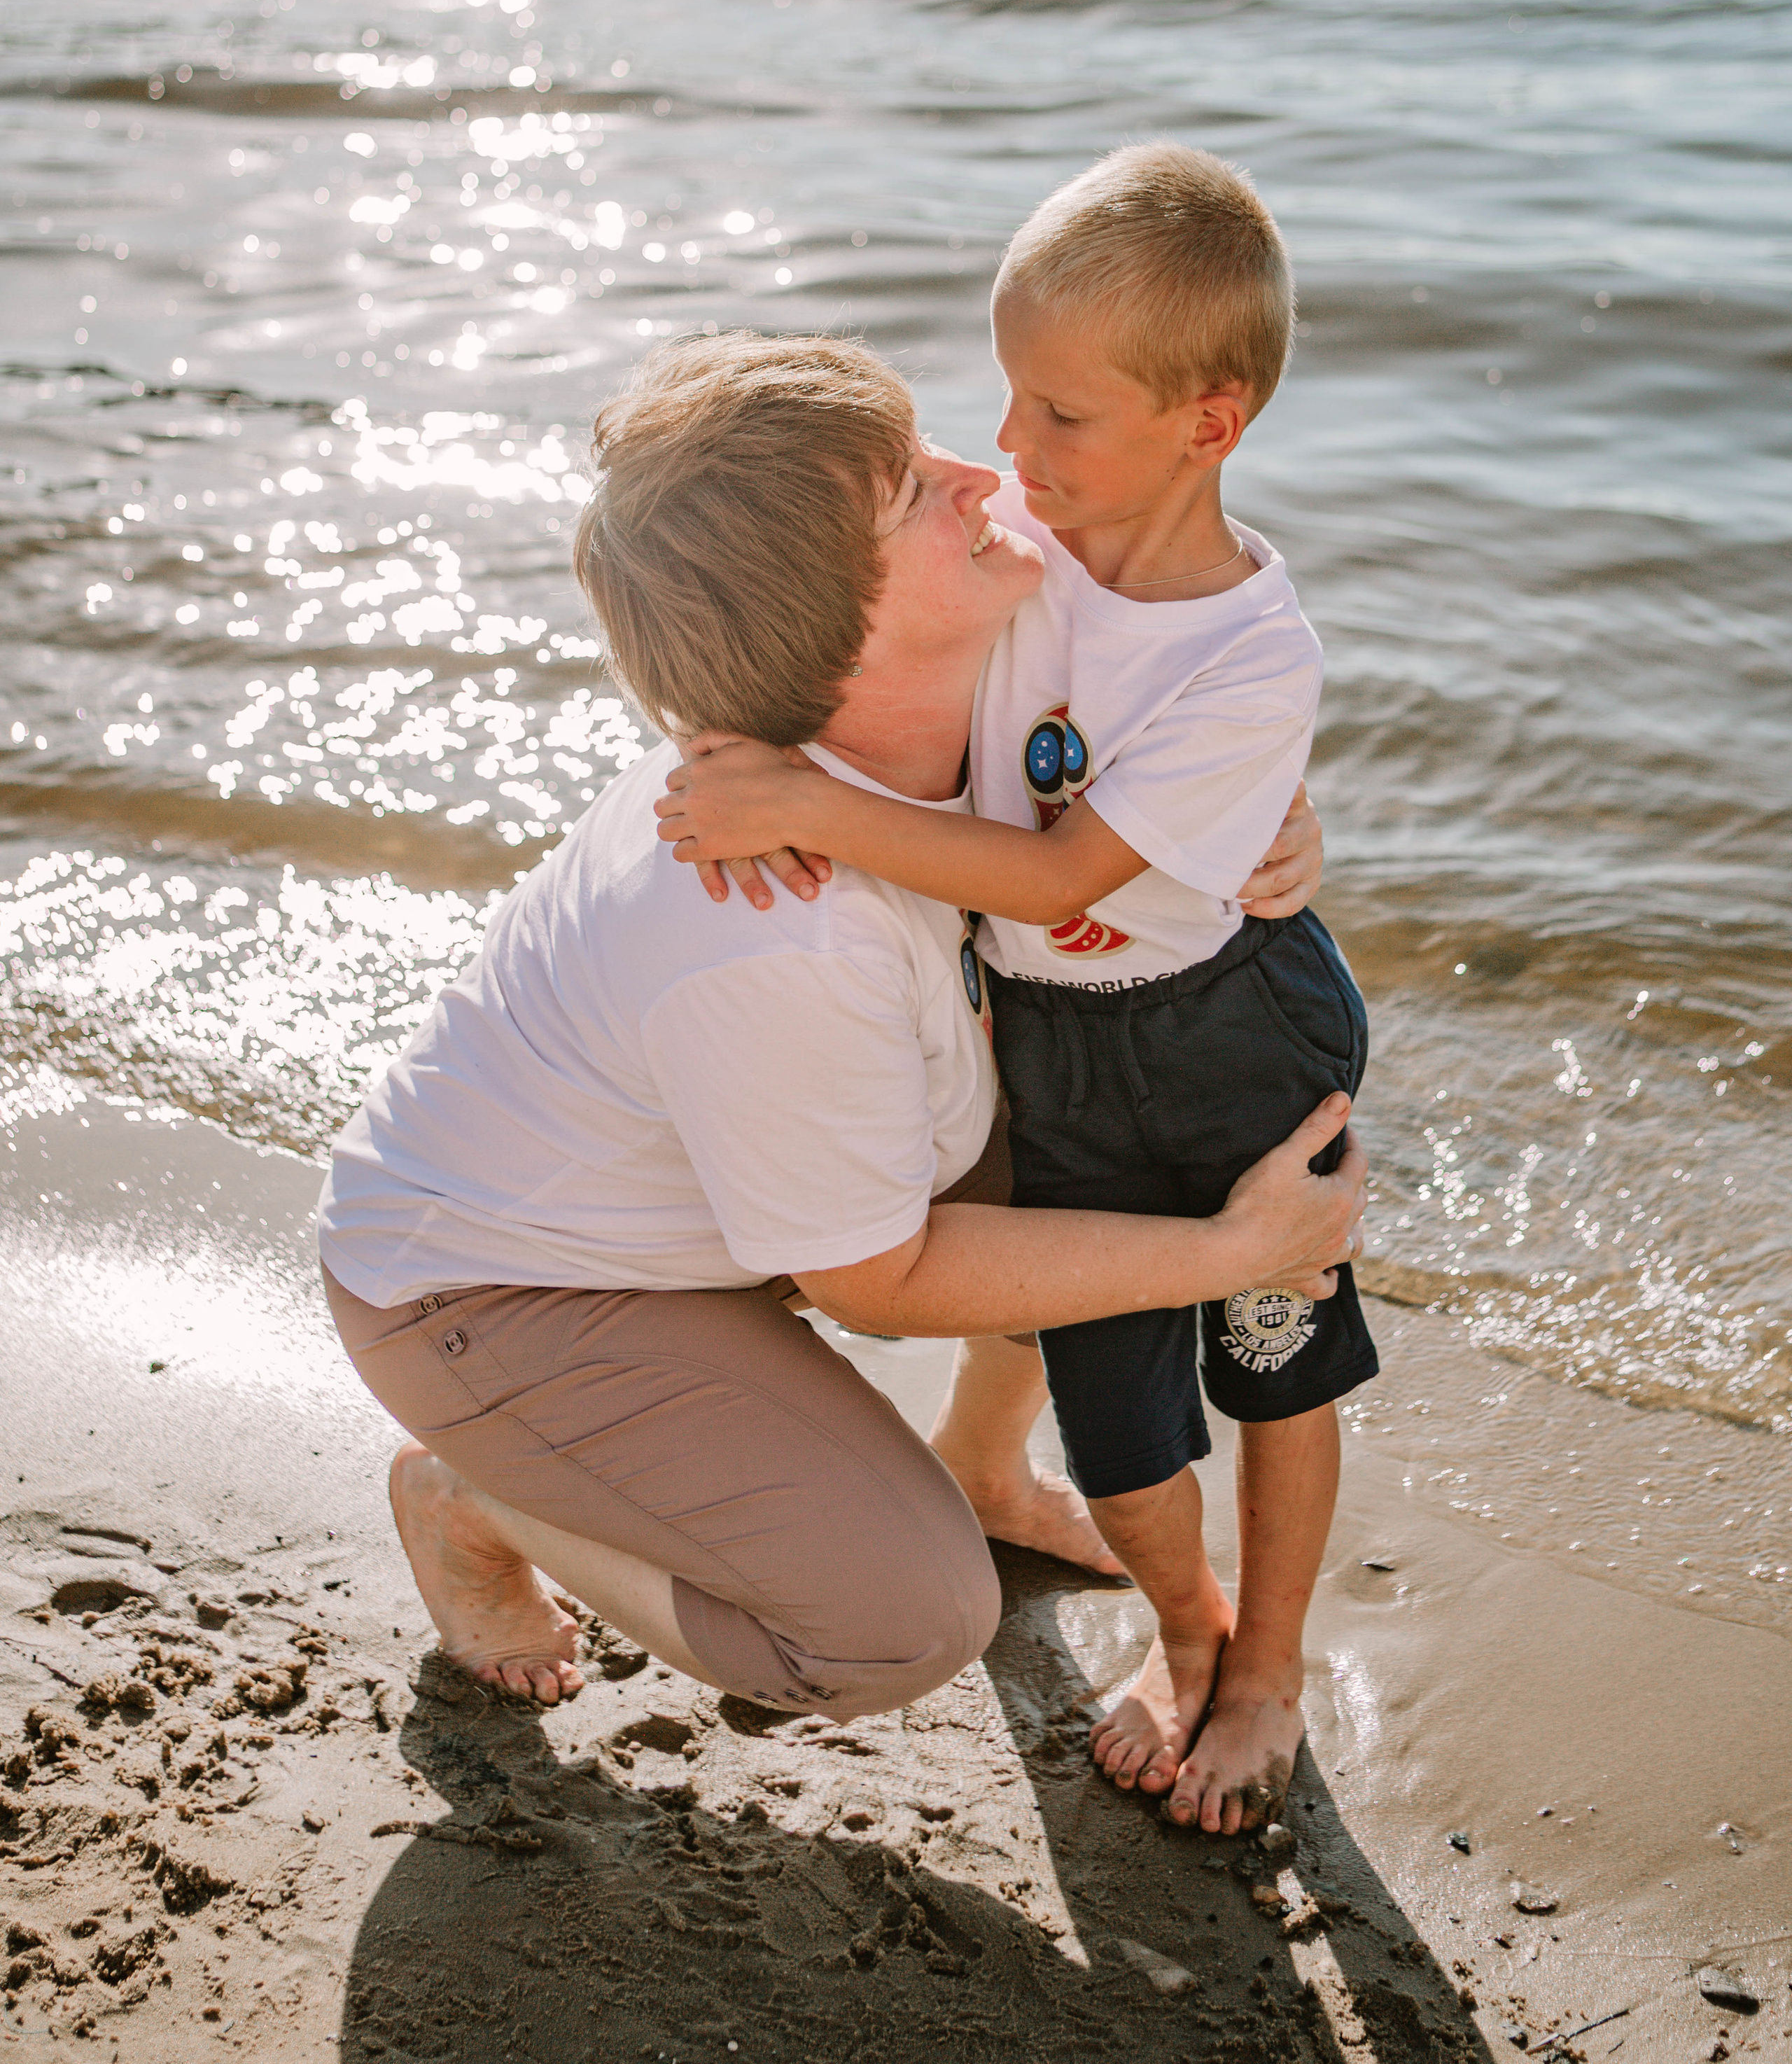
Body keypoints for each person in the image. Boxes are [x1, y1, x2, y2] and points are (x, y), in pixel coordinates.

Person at [317, 330, 1365, 1752]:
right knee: (903, 1620)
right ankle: (480, 1501)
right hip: (493, 1299)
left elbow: (1176, 725)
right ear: (841, 625)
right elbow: (879, 1283)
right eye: (914, 491)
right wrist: (1231, 1255)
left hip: (698, 1210)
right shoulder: (774, 926)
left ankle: (982, 1466)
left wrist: (1257, 829)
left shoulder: (942, 701)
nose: (982, 474)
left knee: (1084, 1117)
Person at [653, 148, 1373, 1834]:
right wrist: (737, 747)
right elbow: (851, 657)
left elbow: (1056, 878)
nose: (1006, 444)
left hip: (1230, 1033)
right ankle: (1181, 1627)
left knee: (1276, 1352)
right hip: (1048, 1038)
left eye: (1057, 412)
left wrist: (805, 807)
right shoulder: (1024, 555)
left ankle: (1265, 1664)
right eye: (1006, 392)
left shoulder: (1245, 650)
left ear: (1206, 424)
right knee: (1119, 1420)